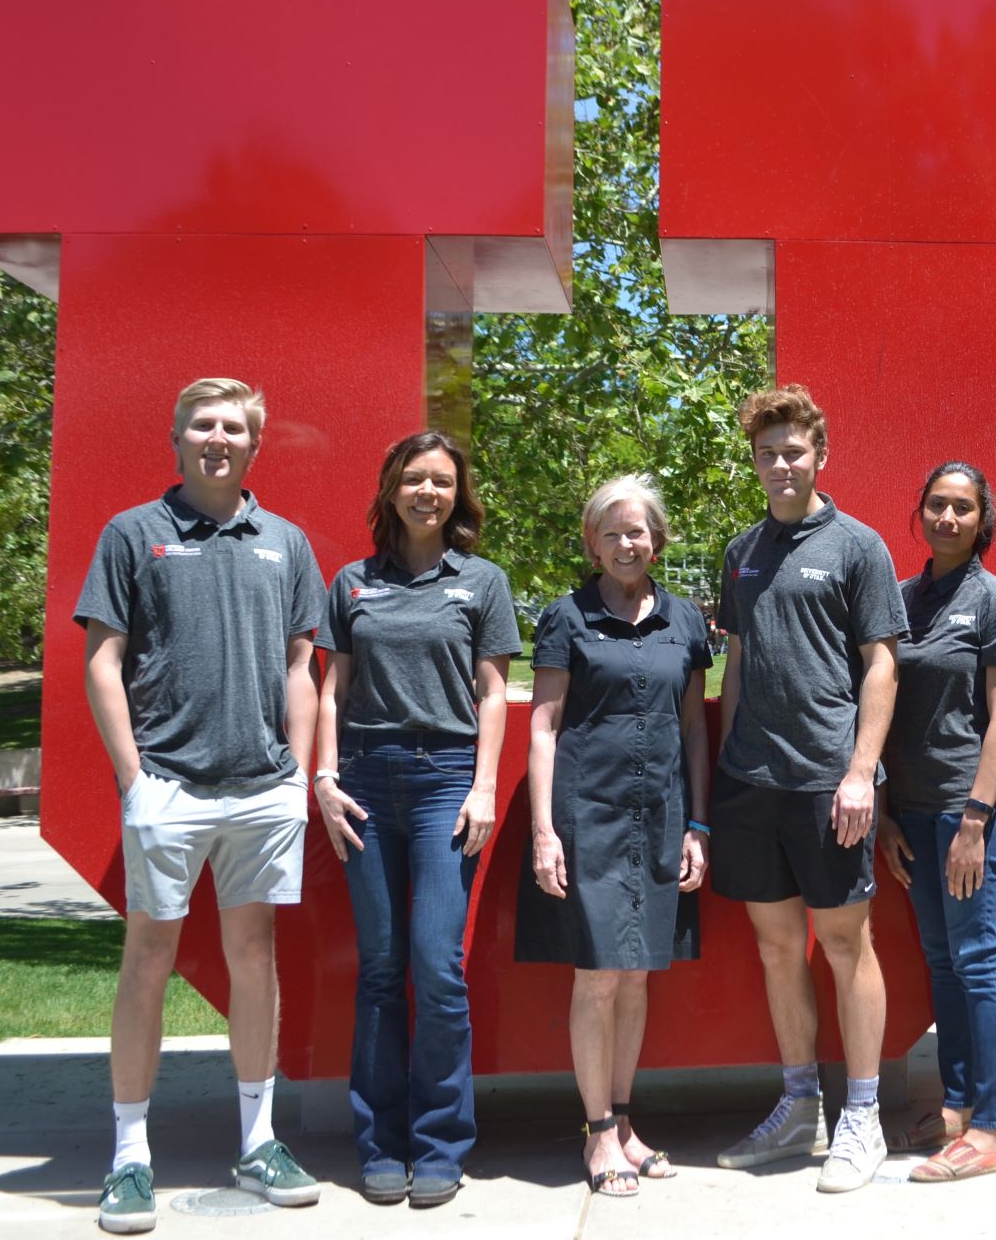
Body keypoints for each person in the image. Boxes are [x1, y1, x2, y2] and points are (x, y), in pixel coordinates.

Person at [76, 377, 326, 1234]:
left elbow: (303, 667)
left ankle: (257, 1140)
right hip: (169, 790)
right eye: (202, 425)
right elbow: (102, 662)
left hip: (262, 788)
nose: (217, 438)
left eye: (233, 427)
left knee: (253, 955)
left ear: (255, 445)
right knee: (147, 960)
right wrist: (134, 782)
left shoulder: (285, 542)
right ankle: (130, 1155)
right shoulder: (132, 534)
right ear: (178, 436)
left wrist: (297, 772)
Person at [312, 431, 520, 1210]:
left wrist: (484, 786)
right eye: (414, 478)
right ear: (391, 487)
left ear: (456, 495)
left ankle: (439, 1143)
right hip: (364, 779)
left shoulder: (483, 581)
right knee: (379, 968)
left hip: (444, 784)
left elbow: (493, 692)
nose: (427, 492)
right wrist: (325, 778)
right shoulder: (353, 582)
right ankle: (381, 1142)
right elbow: (333, 687)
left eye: (441, 481)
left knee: (437, 967)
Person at [710, 384, 907, 1194]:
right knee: (775, 946)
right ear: (754, 461)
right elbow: (741, 661)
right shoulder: (741, 551)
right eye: (768, 452)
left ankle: (863, 1115)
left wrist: (862, 772)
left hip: (830, 782)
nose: (781, 463)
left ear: (820, 455)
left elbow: (882, 665)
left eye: (794, 450)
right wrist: (722, 770)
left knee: (843, 944)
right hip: (752, 781)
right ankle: (800, 1106)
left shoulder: (858, 545)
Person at [515, 475, 712, 1197]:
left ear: (657, 538)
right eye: (611, 531)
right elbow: (542, 727)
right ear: (590, 542)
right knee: (597, 975)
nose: (627, 542)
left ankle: (625, 1120)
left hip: (659, 817)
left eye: (638, 530)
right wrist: (544, 831)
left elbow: (693, 727)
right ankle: (598, 1134)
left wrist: (697, 823)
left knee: (635, 975)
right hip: (585, 816)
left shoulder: (687, 621)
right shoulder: (565, 617)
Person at [878, 463, 996, 1181]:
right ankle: (959, 1103)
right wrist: (881, 812)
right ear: (922, 510)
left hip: (967, 811)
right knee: (942, 960)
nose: (946, 516)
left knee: (975, 958)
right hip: (910, 810)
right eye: (936, 503)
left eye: (961, 507)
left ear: (980, 519)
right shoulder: (903, 599)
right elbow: (877, 705)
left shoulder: (993, 600)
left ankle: (993, 1128)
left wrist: (974, 817)